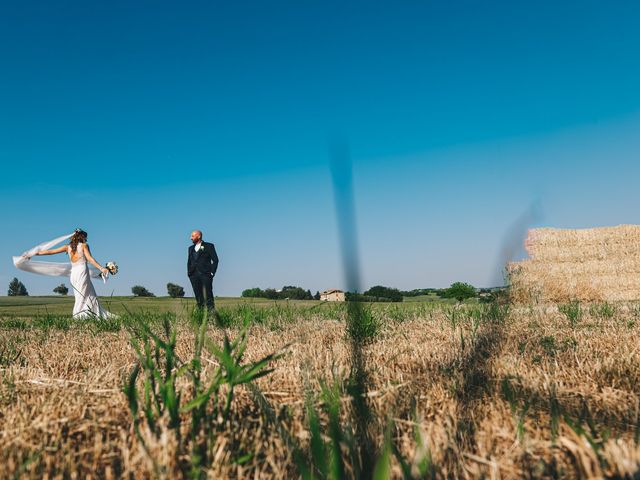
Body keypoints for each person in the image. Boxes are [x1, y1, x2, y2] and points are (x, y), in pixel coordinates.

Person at [23, 229, 114, 319]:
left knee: (84, 293)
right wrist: (102, 268)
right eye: (85, 237)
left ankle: (87, 314)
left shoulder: (67, 247)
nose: (86, 239)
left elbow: (50, 252)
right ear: (82, 237)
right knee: (83, 294)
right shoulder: (84, 246)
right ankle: (79, 315)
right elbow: (90, 259)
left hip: (74, 273)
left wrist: (33, 253)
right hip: (82, 272)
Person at [187, 230, 219, 313]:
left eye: (192, 236)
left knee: (208, 295)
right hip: (193, 275)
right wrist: (189, 273)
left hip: (206, 275)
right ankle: (201, 314)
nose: (190, 238)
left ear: (199, 236)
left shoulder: (209, 246)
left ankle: (211, 313)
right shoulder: (190, 249)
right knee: (198, 295)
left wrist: (212, 272)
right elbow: (189, 261)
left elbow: (215, 260)